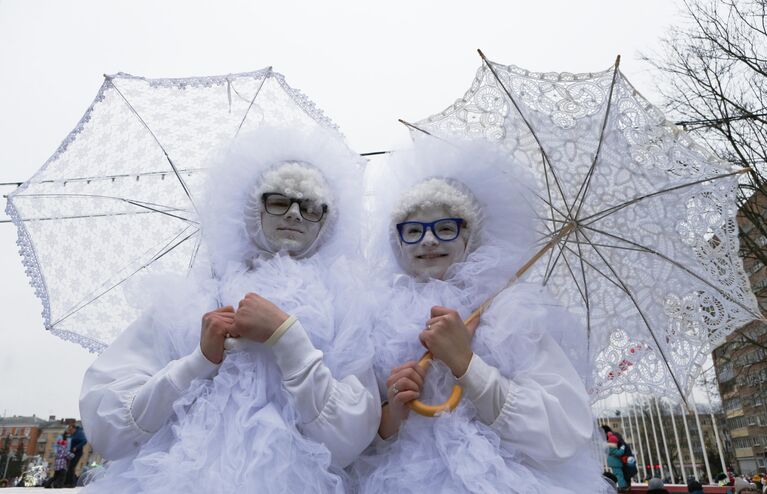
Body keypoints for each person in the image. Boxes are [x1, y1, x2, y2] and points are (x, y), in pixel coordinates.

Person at [79, 126, 379, 492]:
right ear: (254, 207)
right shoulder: (191, 298)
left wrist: (290, 340)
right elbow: (110, 432)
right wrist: (198, 362)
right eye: (280, 201)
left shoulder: (343, 307)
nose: (296, 215)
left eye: (311, 207)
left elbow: (350, 440)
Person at [350, 138, 607, 493]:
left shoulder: (510, 313)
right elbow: (359, 437)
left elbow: (562, 429)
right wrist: (393, 411)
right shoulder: (373, 318)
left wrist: (467, 364)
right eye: (413, 231)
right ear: (396, 243)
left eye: (445, 228)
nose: (428, 241)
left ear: (470, 236)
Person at [64, 423, 86, 487]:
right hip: (71, 453)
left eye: (70, 430)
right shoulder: (73, 434)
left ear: (74, 428)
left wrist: (77, 447)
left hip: (77, 452)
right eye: (69, 430)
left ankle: (71, 483)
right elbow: (67, 439)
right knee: (69, 467)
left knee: (71, 467)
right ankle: (67, 482)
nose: (70, 431)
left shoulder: (79, 433)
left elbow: (84, 441)